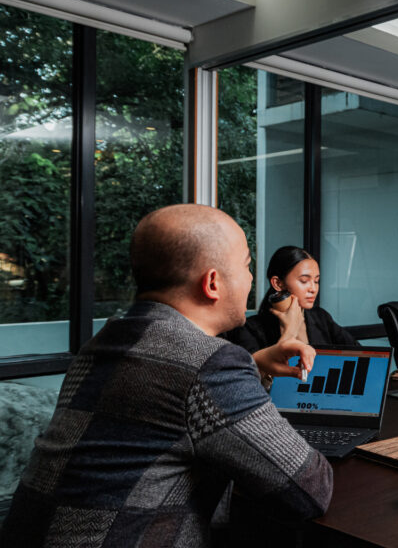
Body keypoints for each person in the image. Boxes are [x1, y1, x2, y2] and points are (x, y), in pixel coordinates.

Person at [0, 205, 332, 547]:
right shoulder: (210, 363)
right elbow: (309, 490)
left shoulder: (102, 344)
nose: (250, 279)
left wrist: (256, 365)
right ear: (213, 283)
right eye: (246, 265)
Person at [225, 245, 358, 384]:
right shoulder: (248, 329)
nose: (313, 288)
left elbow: (360, 353)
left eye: (316, 281)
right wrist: (290, 331)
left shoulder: (321, 317)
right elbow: (247, 383)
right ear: (278, 283)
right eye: (304, 281)